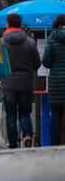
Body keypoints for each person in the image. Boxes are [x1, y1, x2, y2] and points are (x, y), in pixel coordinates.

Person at [0, 12, 41, 148]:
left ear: (8, 25)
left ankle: (12, 144)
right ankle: (27, 136)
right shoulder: (29, 42)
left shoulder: (2, 42)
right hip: (25, 84)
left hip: (8, 84)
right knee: (25, 113)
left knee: (10, 116)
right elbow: (37, 63)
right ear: (20, 25)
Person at [43, 14, 65, 146]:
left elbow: (46, 62)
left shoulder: (51, 39)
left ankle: (54, 143)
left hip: (56, 82)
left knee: (56, 114)